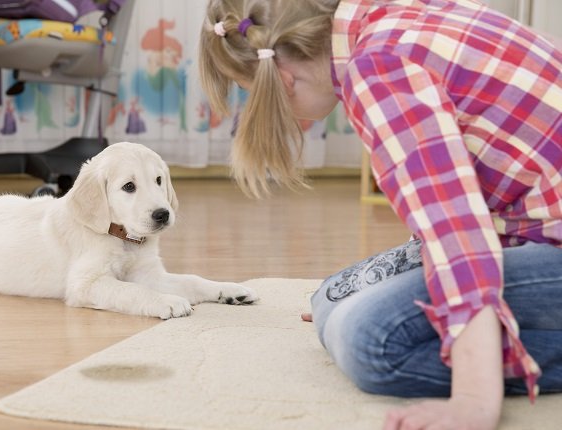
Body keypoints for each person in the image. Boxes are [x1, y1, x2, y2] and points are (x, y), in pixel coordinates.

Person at [198, 0, 562, 429]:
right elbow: (450, 194)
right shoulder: (383, 19)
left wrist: (474, 399)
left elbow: (457, 237)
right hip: (526, 225)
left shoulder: (379, 69)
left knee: (369, 338)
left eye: (247, 91)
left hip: (532, 236)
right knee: (334, 296)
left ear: (282, 79)